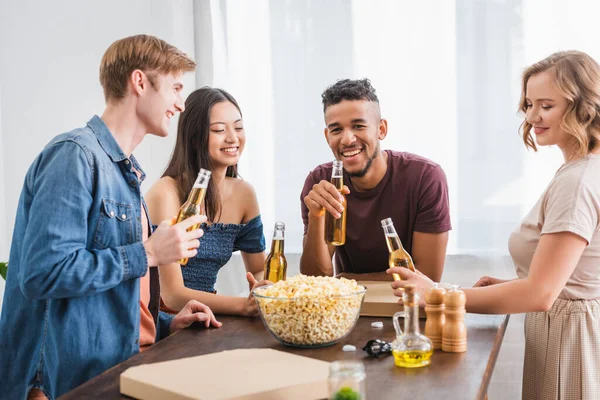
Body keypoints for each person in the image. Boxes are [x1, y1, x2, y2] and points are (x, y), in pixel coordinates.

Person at [0, 35, 222, 400]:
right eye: (175, 88)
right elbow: (43, 274)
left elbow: (110, 299)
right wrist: (148, 253)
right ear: (139, 82)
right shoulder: (73, 156)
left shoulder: (127, 173)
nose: (181, 104)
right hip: (64, 385)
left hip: (117, 371)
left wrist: (166, 324)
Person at [390, 50, 600, 399]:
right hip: (566, 331)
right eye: (529, 104)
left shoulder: (577, 182)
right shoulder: (582, 170)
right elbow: (575, 277)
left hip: (570, 342)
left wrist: (439, 295)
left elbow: (540, 294)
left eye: (546, 106)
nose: (532, 116)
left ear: (583, 107)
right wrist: (506, 285)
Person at [300, 78, 451, 282]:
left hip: (406, 308)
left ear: (381, 129)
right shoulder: (320, 183)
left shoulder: (425, 178)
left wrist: (347, 279)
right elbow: (314, 280)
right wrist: (317, 218)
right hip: (349, 309)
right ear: (327, 136)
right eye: (336, 130)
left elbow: (426, 278)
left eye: (358, 126)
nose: (347, 139)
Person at [145, 87, 268, 317]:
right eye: (219, 130)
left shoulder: (245, 194)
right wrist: (244, 305)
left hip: (206, 316)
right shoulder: (166, 193)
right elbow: (172, 294)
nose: (233, 138)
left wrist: (263, 290)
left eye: (238, 127)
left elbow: (259, 269)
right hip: (163, 320)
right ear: (194, 138)